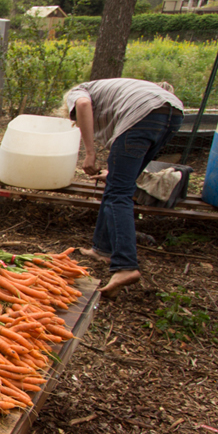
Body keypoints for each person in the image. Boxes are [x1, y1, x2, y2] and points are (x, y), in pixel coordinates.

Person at [61, 78, 184, 297]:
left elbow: (82, 106)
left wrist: (89, 152)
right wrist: (115, 172)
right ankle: (102, 248)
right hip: (172, 114)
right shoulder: (111, 91)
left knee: (119, 194)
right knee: (117, 186)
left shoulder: (78, 92)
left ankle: (125, 266)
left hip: (143, 115)